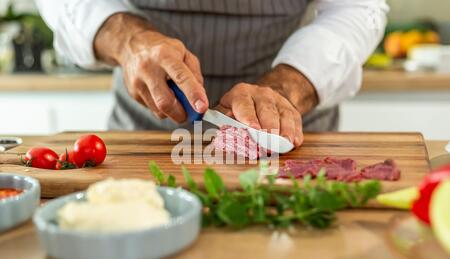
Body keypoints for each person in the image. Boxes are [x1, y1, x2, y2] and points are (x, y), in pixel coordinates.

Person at [36, 0, 388, 147]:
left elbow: (358, 6)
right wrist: (128, 39)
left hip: (289, 140)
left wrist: (287, 87)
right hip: (148, 138)